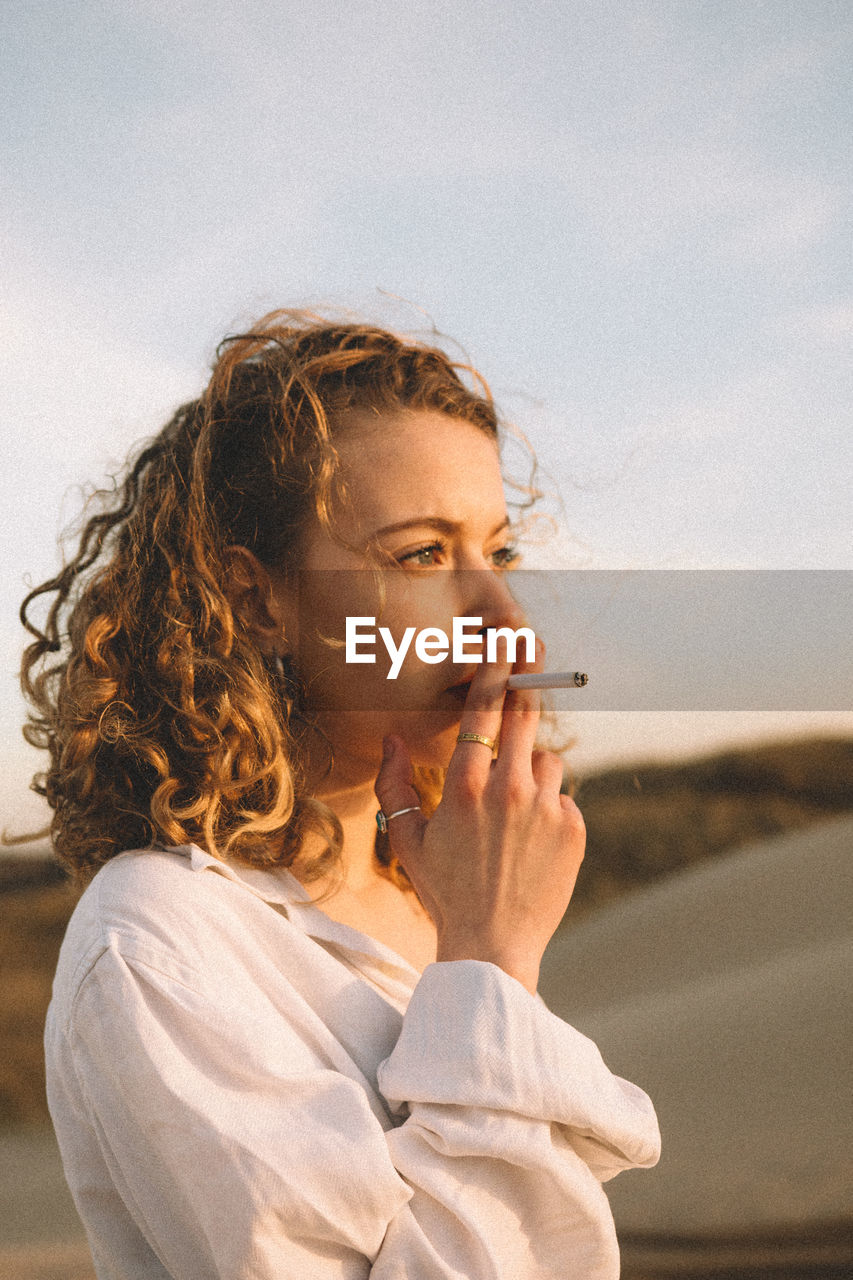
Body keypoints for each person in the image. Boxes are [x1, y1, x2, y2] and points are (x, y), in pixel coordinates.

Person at [23, 310, 660, 1278]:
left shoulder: (423, 893)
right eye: (421, 554)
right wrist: (490, 965)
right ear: (258, 601)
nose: (500, 617)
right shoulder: (156, 940)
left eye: (498, 552)